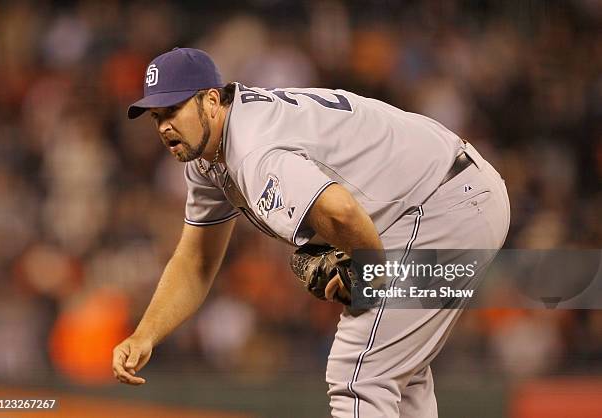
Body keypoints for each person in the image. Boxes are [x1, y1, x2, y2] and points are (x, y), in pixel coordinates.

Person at [112, 47, 510, 418]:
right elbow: (196, 260)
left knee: (360, 373)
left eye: (173, 109)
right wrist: (145, 334)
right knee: (397, 376)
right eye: (156, 116)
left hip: (444, 205)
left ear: (211, 101)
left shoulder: (253, 150)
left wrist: (369, 276)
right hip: (445, 199)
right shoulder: (209, 158)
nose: (164, 126)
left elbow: (339, 212)